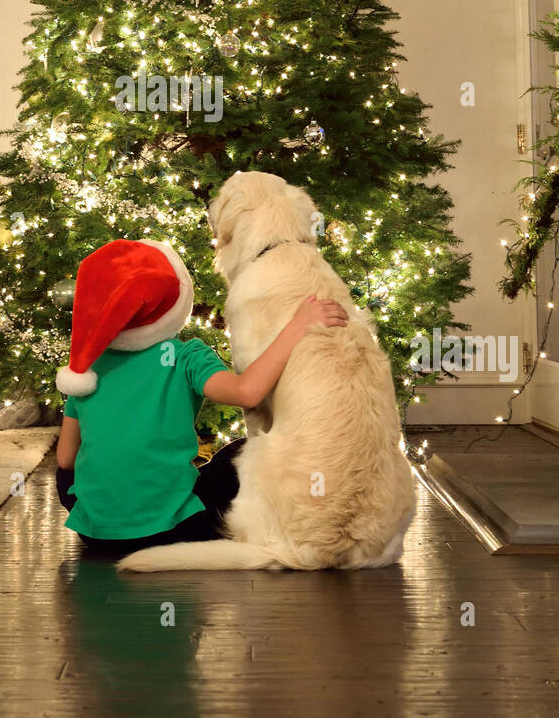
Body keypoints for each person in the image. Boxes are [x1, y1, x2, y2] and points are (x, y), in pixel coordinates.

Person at [54, 236, 347, 555]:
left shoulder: (85, 367)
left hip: (96, 535)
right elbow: (247, 392)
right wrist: (298, 325)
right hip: (173, 530)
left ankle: (114, 515)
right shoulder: (186, 355)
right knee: (245, 451)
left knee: (63, 476)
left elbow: (66, 459)